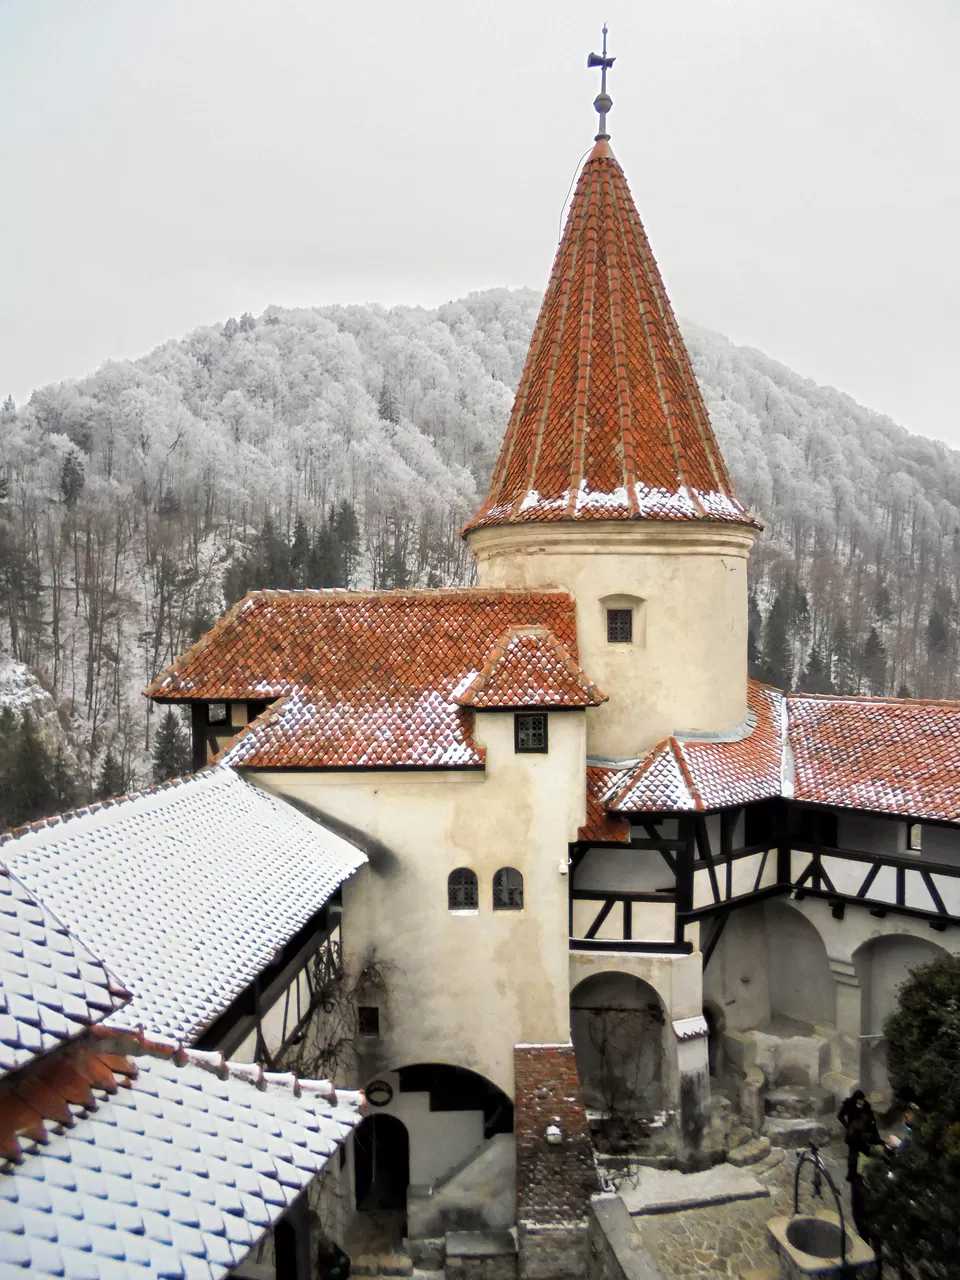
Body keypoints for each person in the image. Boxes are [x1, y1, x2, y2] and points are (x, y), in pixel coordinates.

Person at [838, 1089, 881, 1183]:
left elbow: (872, 1119)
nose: (862, 1102)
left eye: (863, 1100)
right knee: (853, 1156)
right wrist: (847, 1126)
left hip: (863, 1134)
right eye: (860, 1100)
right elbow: (840, 1116)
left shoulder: (866, 1106)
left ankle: (866, 1174)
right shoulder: (848, 1104)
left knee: (866, 1153)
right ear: (856, 1099)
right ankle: (851, 1175)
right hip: (852, 1134)